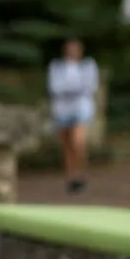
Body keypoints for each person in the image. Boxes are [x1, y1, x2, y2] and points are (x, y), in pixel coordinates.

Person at [47, 37, 99, 193]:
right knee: (67, 145)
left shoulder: (88, 66)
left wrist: (69, 88)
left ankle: (81, 174)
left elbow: (89, 86)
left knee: (78, 142)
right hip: (62, 109)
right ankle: (70, 177)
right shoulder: (57, 67)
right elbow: (54, 87)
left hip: (80, 107)